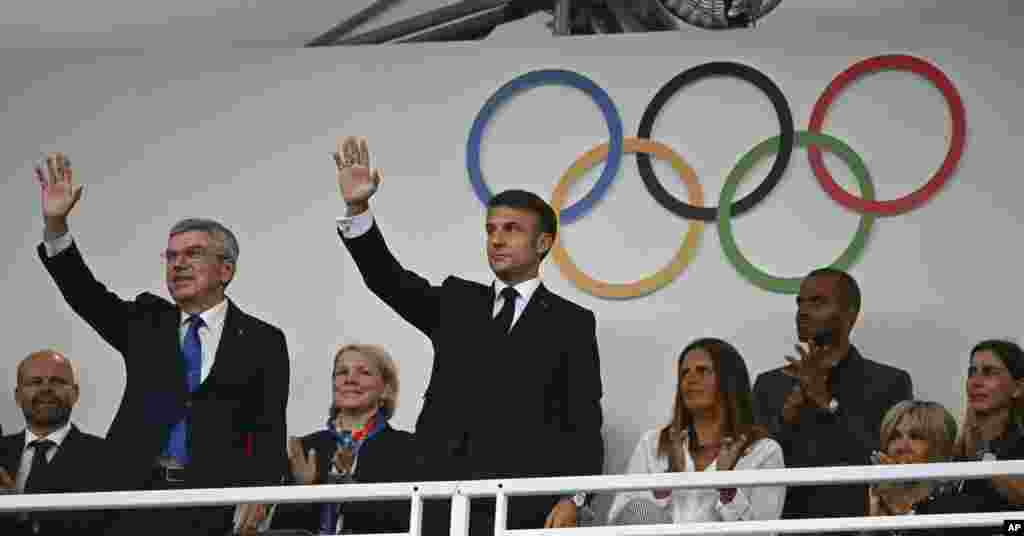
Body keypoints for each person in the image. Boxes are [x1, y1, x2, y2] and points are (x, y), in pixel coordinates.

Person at [331, 137, 604, 534]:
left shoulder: (571, 322)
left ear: (543, 243)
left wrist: (573, 497)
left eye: (512, 229)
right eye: (491, 229)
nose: (496, 239)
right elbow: (388, 280)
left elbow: (582, 422)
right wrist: (358, 209)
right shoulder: (457, 301)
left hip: (519, 506)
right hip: (438, 498)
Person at [33, 153, 289, 535]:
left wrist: (262, 494)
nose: (178, 264)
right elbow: (85, 295)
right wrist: (56, 226)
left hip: (211, 506)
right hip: (132, 500)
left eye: (193, 254)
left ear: (226, 269)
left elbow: (269, 429)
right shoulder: (145, 323)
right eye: (171, 256)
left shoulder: (263, 340)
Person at [752, 268, 913, 521]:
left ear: (851, 314)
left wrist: (828, 403)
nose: (803, 311)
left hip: (860, 526)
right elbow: (755, 474)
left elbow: (889, 466)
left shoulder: (890, 383)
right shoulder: (770, 385)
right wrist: (787, 416)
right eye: (800, 303)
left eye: (817, 302)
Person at [607, 338, 785, 527]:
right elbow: (621, 517)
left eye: (702, 370)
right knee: (639, 508)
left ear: (729, 380)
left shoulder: (764, 451)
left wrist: (728, 489)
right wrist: (668, 480)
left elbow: (765, 531)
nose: (690, 379)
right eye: (684, 373)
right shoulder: (652, 443)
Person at [272, 343, 418, 534]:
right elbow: (283, 528)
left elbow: (408, 522)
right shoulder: (307, 447)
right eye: (342, 372)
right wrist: (304, 491)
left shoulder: (406, 449)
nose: (350, 379)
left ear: (386, 390)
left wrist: (351, 490)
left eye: (364, 372)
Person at [0, 350, 111, 535]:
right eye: (35, 382)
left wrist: (13, 507)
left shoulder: (108, 457)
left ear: (75, 393)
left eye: (57, 381)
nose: (46, 389)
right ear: (18, 396)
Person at [952, 339, 1024, 511]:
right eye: (972, 372)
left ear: (1018, 388)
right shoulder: (956, 448)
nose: (976, 382)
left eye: (989, 372)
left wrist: (982, 458)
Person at [866, 400, 958, 523]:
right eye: (895, 436)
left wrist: (902, 510)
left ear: (940, 447)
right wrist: (873, 523)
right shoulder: (868, 500)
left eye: (915, 437)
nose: (901, 447)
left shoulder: (958, 506)